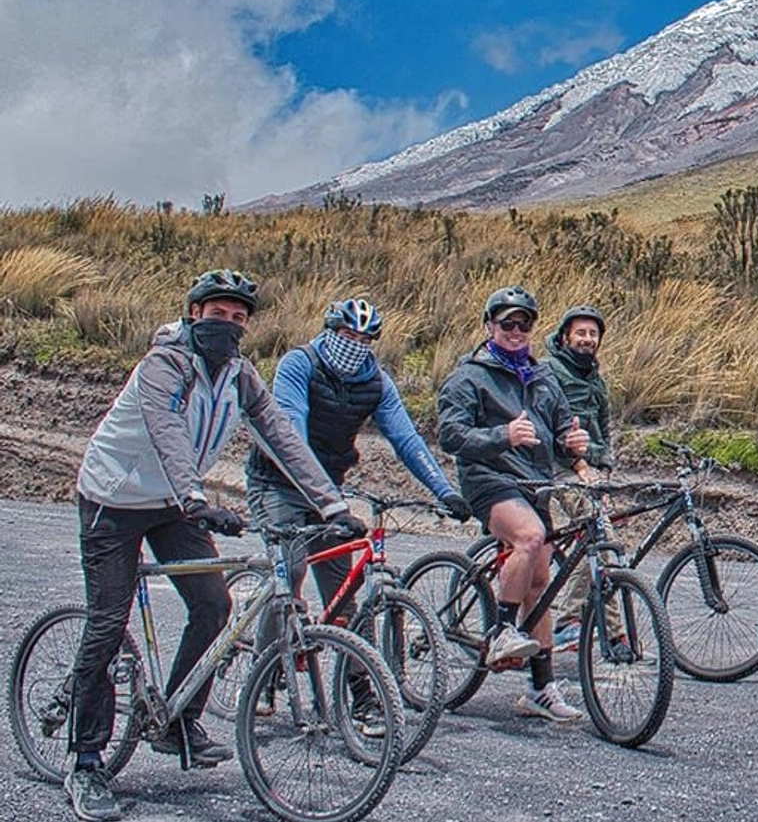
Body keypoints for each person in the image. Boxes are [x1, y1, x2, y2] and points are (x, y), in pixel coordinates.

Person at [66, 269, 366, 822]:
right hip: (114, 499)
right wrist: (194, 496)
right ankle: (86, 762)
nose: (227, 325)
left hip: (172, 504)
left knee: (214, 605)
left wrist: (332, 505)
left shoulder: (239, 374)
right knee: (107, 624)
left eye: (238, 318)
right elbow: (166, 430)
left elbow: (281, 436)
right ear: (194, 313)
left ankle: (179, 721)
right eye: (217, 314)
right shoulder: (164, 364)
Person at [245, 296, 471, 733]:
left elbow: (406, 438)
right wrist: (326, 500)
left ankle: (362, 694)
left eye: (365, 339)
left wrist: (444, 491)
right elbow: (291, 431)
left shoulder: (376, 382)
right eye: (348, 335)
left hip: (329, 489)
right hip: (277, 482)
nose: (355, 345)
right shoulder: (299, 364)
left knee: (346, 593)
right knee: (289, 572)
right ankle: (264, 674)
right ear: (330, 331)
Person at [437, 286, 590, 722]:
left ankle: (541, 689)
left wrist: (574, 444)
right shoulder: (469, 376)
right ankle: (502, 629)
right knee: (529, 536)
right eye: (508, 323)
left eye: (525, 323)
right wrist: (502, 436)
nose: (517, 330)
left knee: (541, 581)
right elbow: (450, 435)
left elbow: (559, 434)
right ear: (490, 326)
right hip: (488, 479)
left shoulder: (542, 378)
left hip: (534, 482)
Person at [542, 305, 616, 652]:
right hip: (558, 463)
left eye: (593, 334)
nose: (587, 339)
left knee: (603, 546)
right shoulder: (550, 372)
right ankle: (570, 620)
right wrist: (580, 465)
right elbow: (551, 424)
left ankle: (613, 633)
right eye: (581, 333)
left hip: (590, 469)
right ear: (564, 337)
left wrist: (605, 468)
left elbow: (604, 426)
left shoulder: (596, 378)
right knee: (600, 532)